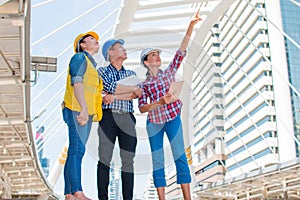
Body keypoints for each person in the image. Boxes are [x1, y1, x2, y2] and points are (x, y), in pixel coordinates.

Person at [138, 9, 201, 200]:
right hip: (154, 123)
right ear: (146, 62)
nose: (157, 56)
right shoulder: (143, 85)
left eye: (158, 53)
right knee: (158, 161)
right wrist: (158, 102)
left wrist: (190, 26)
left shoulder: (169, 72)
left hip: (173, 118)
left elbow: (181, 51)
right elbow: (142, 108)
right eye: (153, 54)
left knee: (180, 156)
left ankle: (187, 198)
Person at [97, 39, 142, 200]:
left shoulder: (131, 74)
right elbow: (109, 86)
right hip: (108, 117)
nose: (124, 50)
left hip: (128, 118)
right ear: (110, 52)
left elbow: (139, 93)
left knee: (128, 161)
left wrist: (114, 95)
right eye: (120, 47)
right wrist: (128, 91)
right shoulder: (101, 71)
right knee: (104, 160)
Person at [62, 31, 103, 200]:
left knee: (75, 151)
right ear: (83, 45)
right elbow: (77, 83)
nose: (96, 41)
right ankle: (78, 192)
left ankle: (69, 194)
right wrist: (84, 109)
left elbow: (93, 90)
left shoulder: (93, 66)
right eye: (91, 39)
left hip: (86, 111)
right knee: (77, 151)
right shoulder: (79, 58)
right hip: (78, 109)